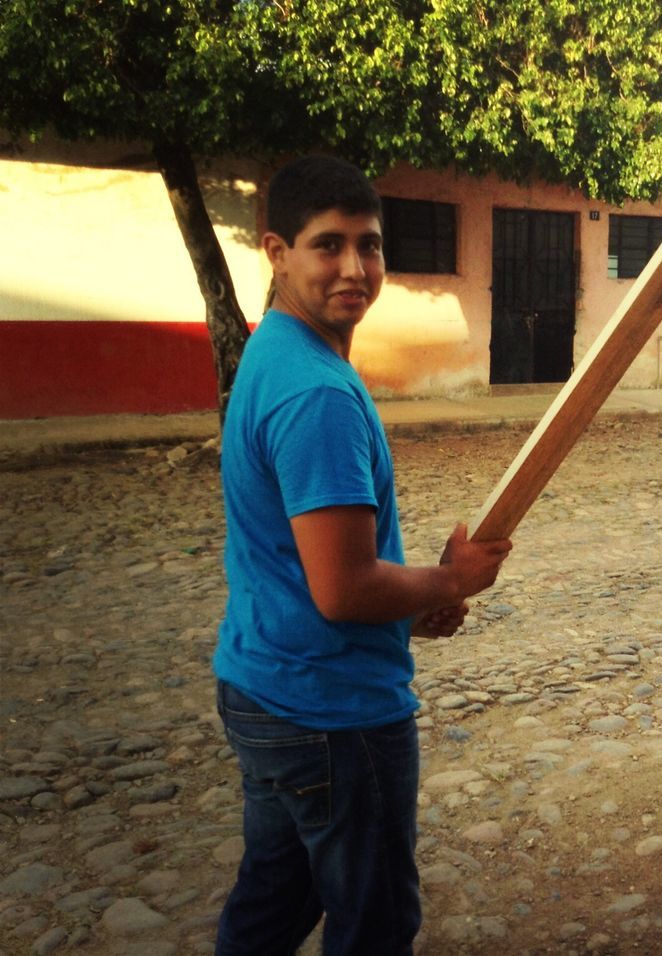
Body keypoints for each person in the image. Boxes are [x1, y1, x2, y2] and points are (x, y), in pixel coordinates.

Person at [212, 155, 512, 956]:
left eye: (371, 246)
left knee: (273, 903)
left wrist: (411, 609)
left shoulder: (276, 353)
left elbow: (297, 565)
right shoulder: (315, 391)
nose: (355, 268)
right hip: (330, 714)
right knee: (373, 921)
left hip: (268, 686)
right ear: (277, 252)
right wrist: (451, 577)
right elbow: (343, 588)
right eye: (328, 245)